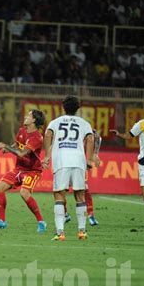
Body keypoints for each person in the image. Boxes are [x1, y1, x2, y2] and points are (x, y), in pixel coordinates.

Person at [42, 95, 95, 241]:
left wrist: (47, 155)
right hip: (78, 161)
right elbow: (90, 139)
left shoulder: (55, 122)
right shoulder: (84, 123)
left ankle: (60, 233)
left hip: (62, 161)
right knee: (80, 196)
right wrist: (89, 159)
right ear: (78, 108)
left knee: (59, 195)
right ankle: (82, 232)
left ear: (63, 107)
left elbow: (47, 135)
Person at [0, 110, 47, 233]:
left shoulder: (37, 138)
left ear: (34, 120)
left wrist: (6, 147)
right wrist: (9, 148)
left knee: (24, 193)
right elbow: (17, 145)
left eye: (29, 115)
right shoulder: (21, 131)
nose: (25, 116)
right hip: (19, 169)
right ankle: (1, 221)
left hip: (32, 171)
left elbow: (21, 153)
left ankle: (41, 221)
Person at [64, 129, 102, 226]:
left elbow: (95, 150)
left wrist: (94, 156)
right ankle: (65, 214)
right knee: (62, 190)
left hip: (80, 165)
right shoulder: (73, 136)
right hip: (66, 163)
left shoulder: (95, 137)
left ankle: (90, 215)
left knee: (84, 190)